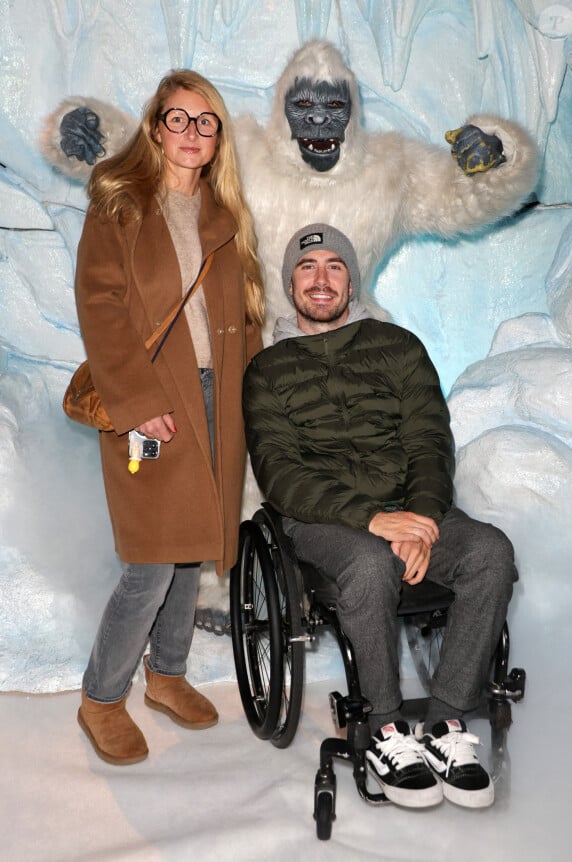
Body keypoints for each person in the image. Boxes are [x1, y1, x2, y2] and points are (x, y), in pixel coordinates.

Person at [242, 223, 517, 809]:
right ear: (290, 283)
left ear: (351, 280)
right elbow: (280, 472)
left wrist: (418, 519)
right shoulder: (266, 370)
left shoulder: (398, 347)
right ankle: (386, 729)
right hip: (322, 519)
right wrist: (376, 521)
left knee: (490, 552)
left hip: (412, 508)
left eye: (334, 266)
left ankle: (445, 724)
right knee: (369, 565)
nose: (321, 279)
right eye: (307, 267)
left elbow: (428, 441)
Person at [74, 69, 264, 766]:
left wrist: (256, 395)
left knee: (193, 547)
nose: (191, 133)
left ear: (217, 139)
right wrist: (137, 401)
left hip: (219, 396)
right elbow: (101, 307)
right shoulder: (120, 204)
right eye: (178, 119)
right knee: (151, 564)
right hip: (151, 399)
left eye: (205, 121)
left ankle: (168, 674)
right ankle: (100, 696)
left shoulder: (223, 215)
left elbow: (245, 317)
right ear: (156, 128)